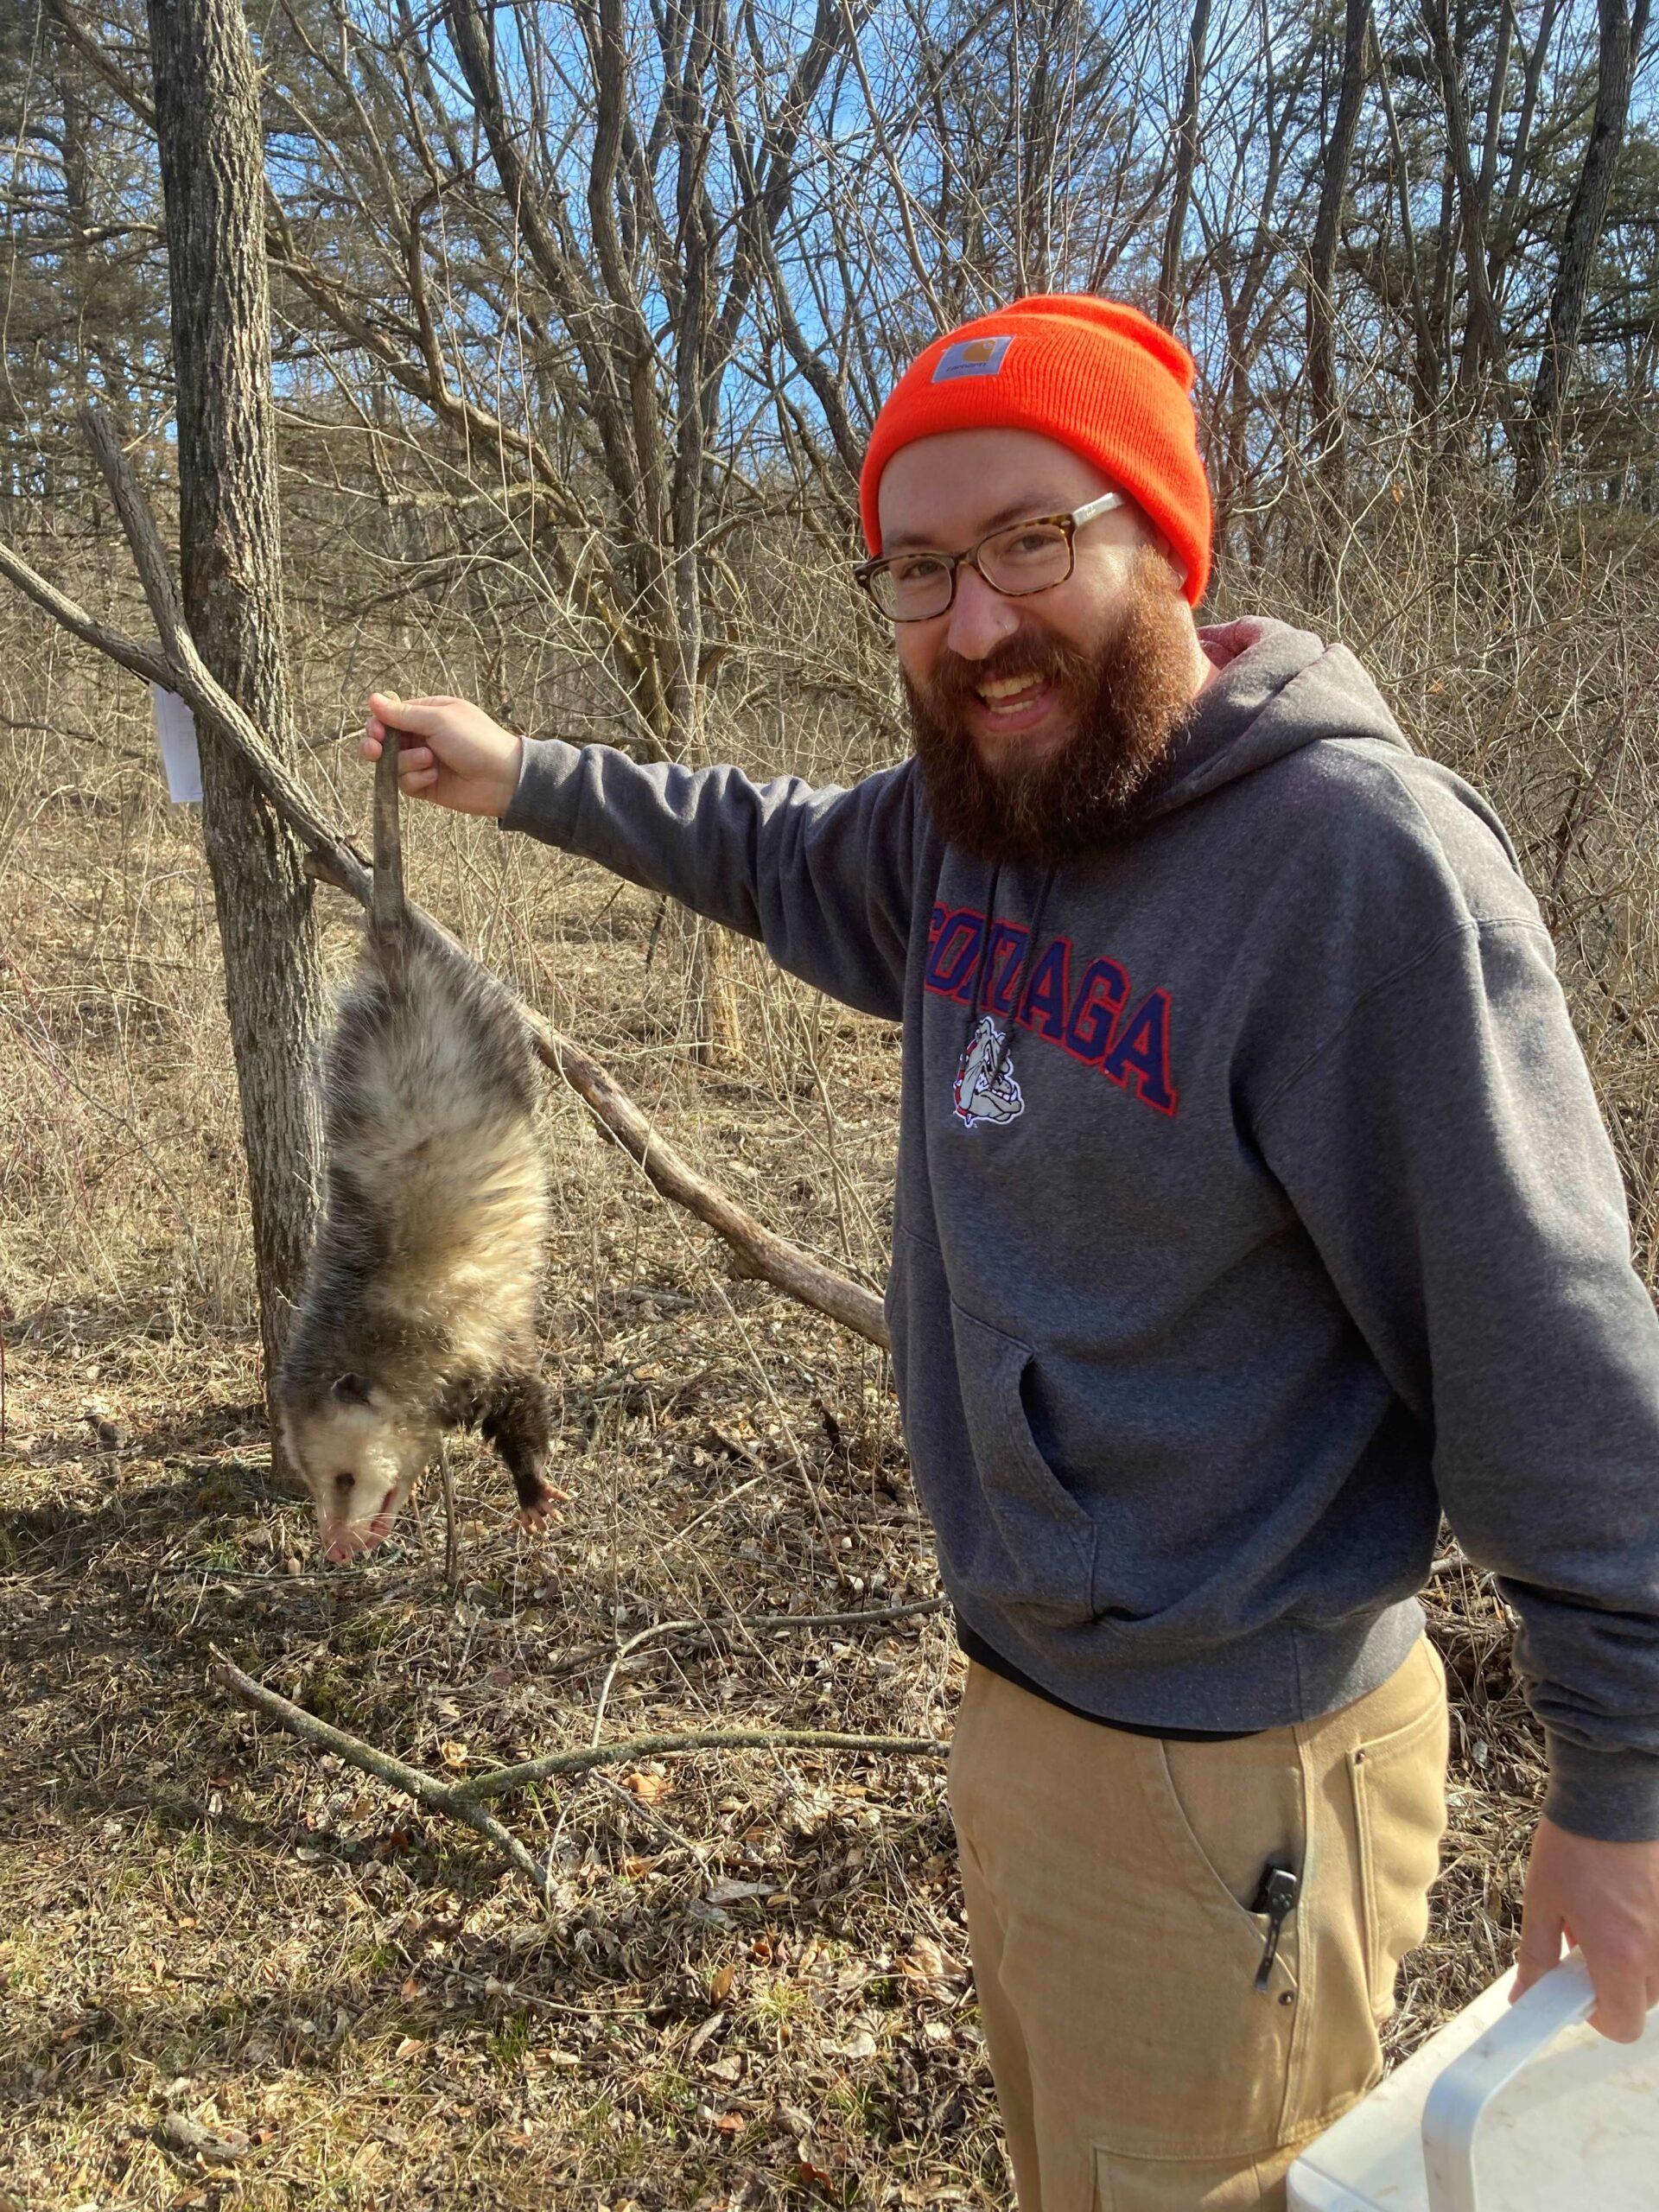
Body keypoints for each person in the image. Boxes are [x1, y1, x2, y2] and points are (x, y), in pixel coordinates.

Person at [362, 295, 1659, 2210]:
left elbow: (1545, 1338)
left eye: (1034, 543)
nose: (976, 626)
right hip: (1032, 1702)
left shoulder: (1351, 870)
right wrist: (524, 771)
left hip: (1240, 1763)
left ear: (1162, 538)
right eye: (922, 569)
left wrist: (1623, 1785)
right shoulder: (991, 819)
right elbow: (776, 844)